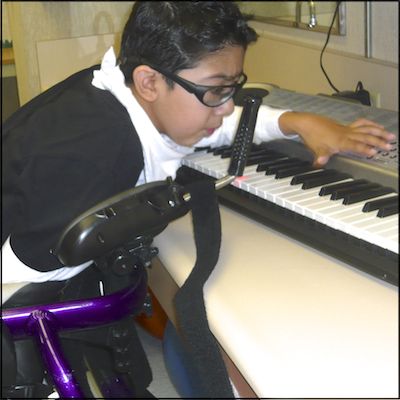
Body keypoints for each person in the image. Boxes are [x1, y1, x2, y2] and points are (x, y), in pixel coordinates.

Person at [1, 1, 395, 397]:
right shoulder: (97, 157)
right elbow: (17, 291)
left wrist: (293, 122)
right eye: (216, 91)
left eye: (232, 89)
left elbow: (207, 122)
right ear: (150, 82)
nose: (225, 109)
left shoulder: (123, 90)